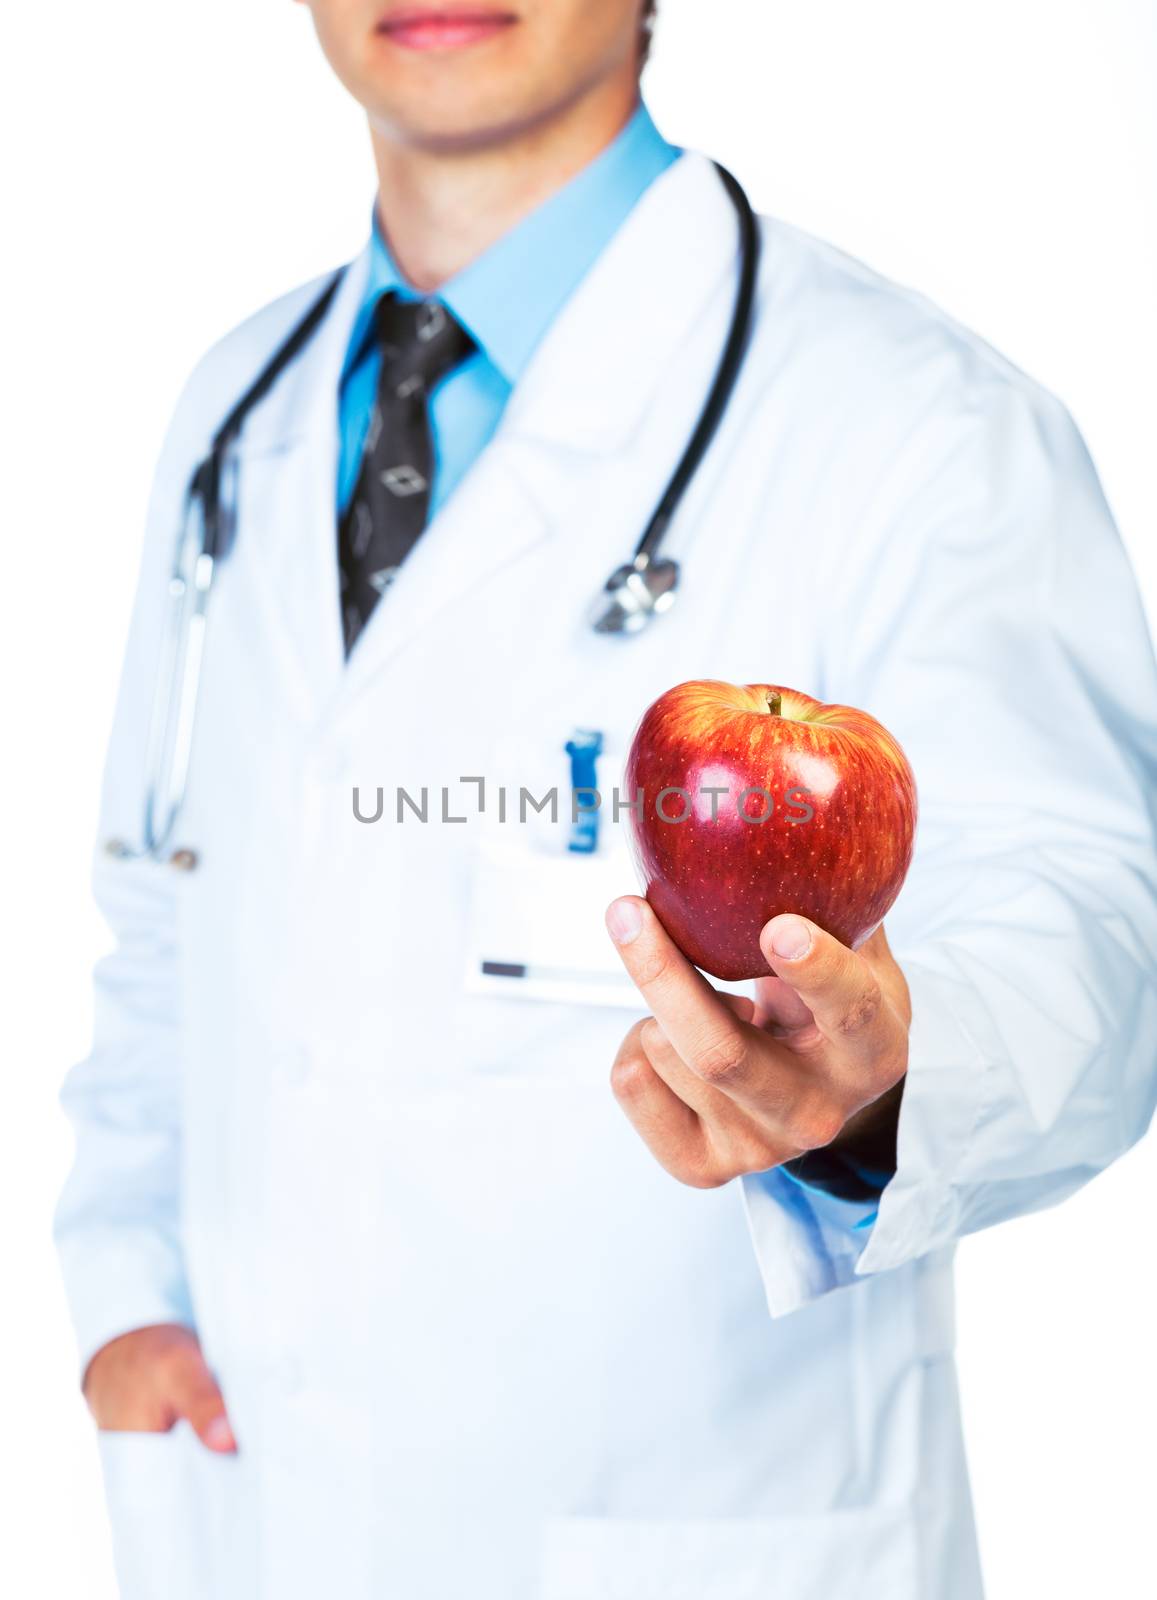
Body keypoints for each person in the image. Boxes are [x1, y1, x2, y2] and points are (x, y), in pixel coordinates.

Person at [56, 2, 1157, 1597]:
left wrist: (881, 1084)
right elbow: (166, 910)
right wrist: (126, 1299)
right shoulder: (236, 410)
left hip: (700, 1530)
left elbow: (1098, 936)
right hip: (259, 1514)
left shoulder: (917, 420)